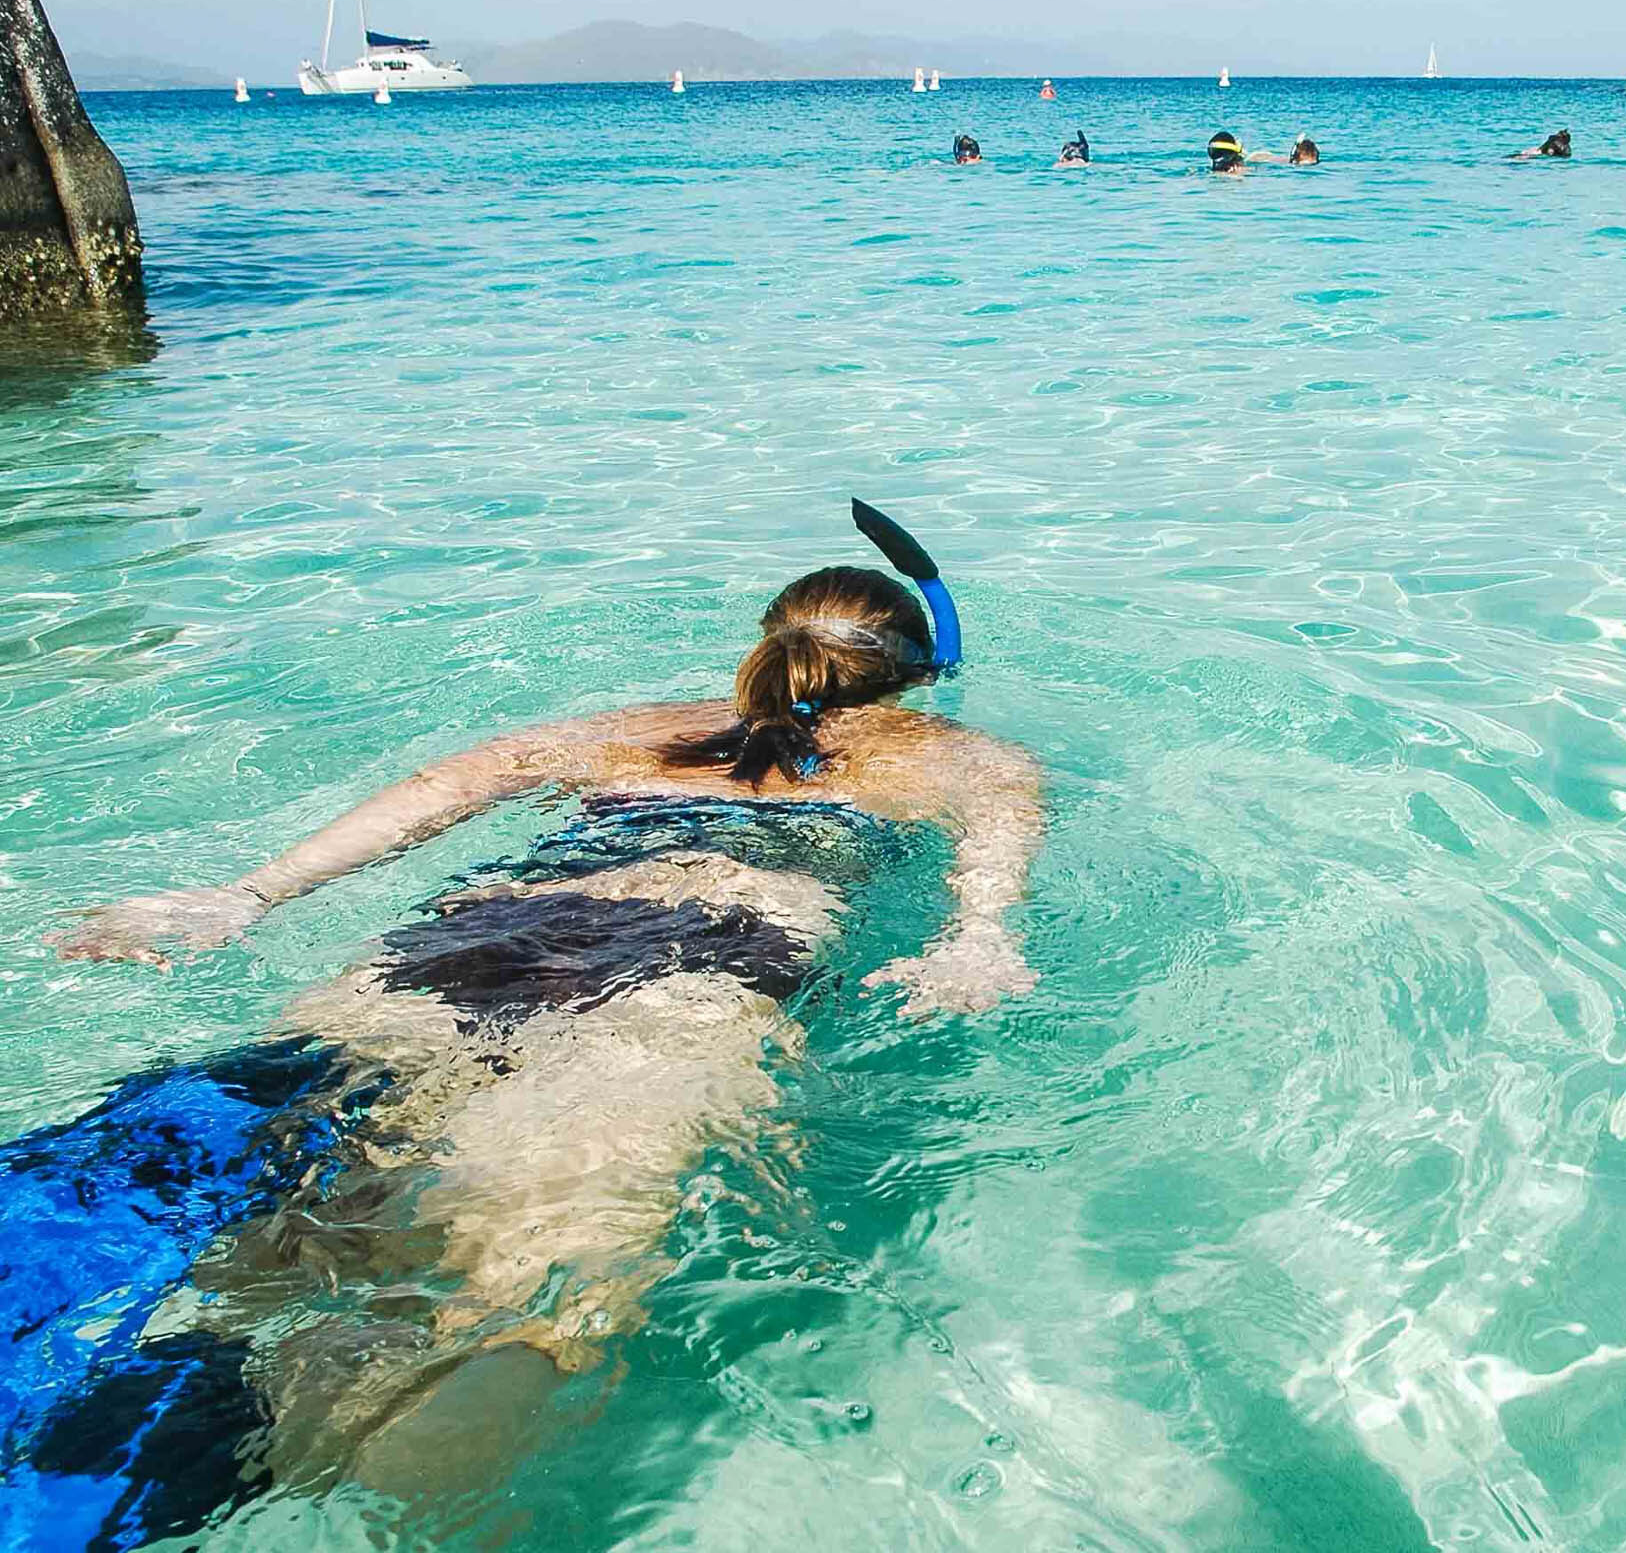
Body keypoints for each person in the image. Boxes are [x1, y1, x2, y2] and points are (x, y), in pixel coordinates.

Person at [36, 499, 1044, 1525]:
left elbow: (445, 786)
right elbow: (989, 887)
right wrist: (975, 944)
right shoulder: (968, 760)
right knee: (530, 1305)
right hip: (684, 987)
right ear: (921, 672)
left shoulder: (638, 730)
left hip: (467, 950)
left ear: (767, 648)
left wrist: (246, 893)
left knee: (275, 1224)